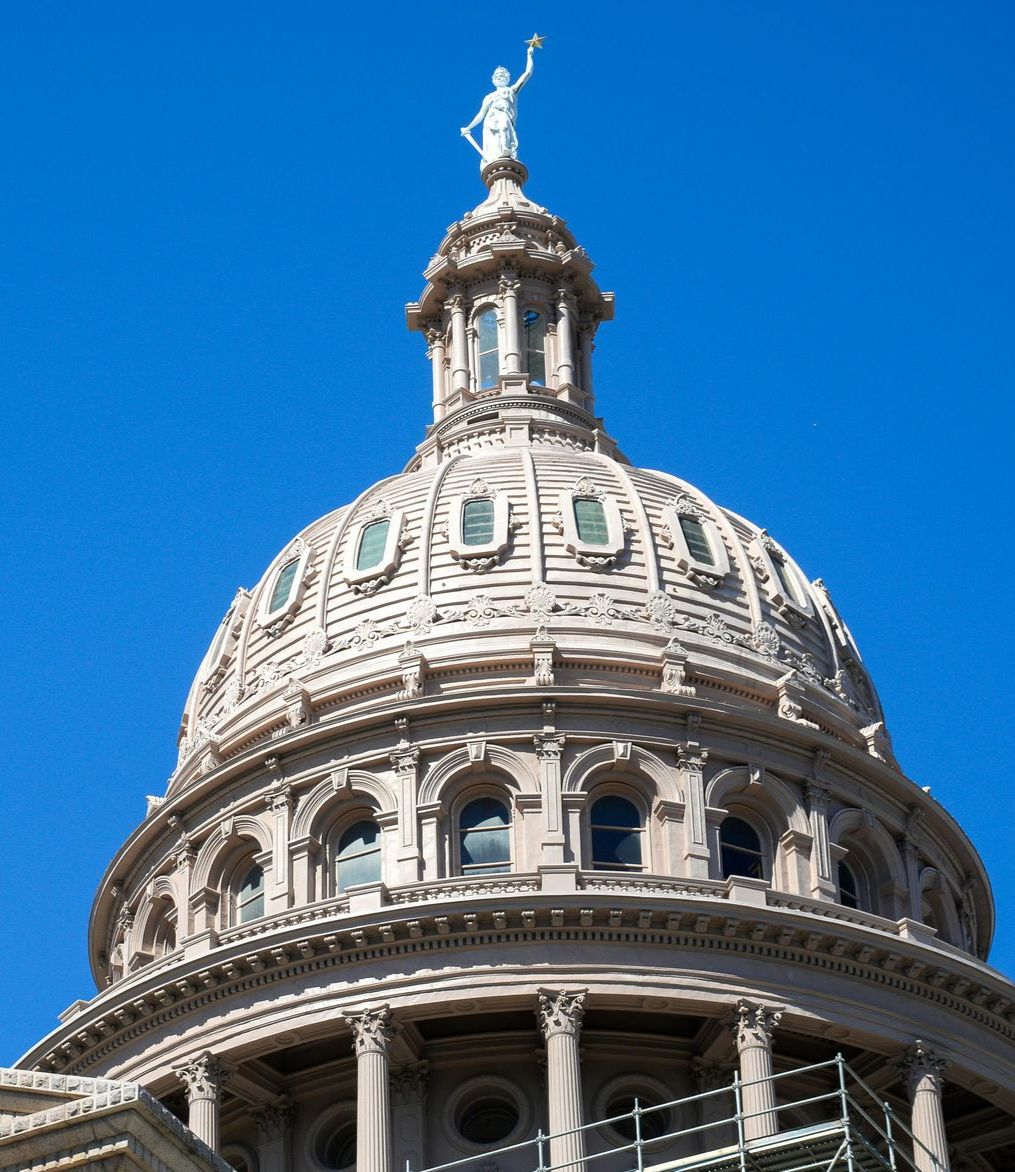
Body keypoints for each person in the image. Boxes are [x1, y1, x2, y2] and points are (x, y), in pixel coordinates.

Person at [461, 44, 535, 163]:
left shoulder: (511, 91)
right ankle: (499, 156)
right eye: (497, 76)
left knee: (504, 126)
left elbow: (527, 74)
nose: (499, 77)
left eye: (502, 75)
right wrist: (468, 127)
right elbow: (481, 114)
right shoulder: (489, 97)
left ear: (507, 78)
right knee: (494, 141)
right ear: (494, 80)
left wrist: (529, 55)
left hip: (504, 115)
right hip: (491, 118)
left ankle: (505, 149)